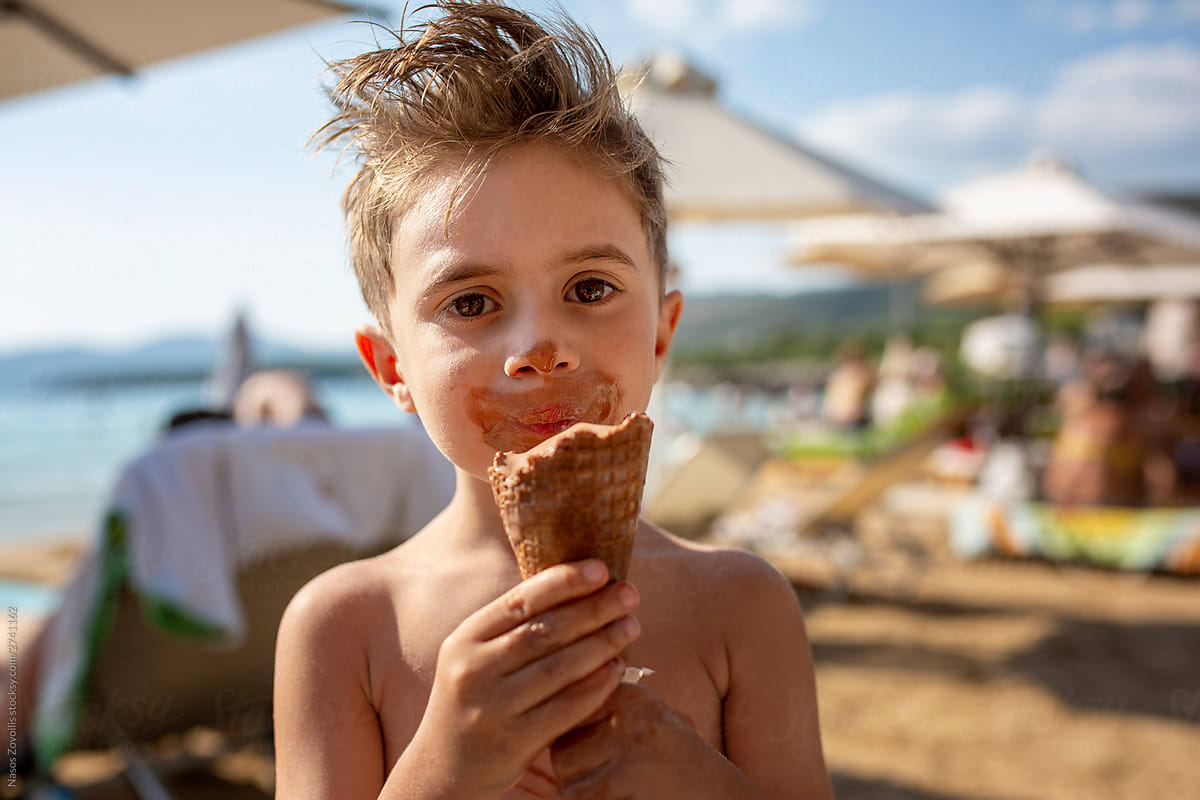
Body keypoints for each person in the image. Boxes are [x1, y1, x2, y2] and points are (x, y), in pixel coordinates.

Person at [272, 4, 832, 799]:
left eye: (590, 288)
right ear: (391, 366)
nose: (542, 344)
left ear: (662, 334)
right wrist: (444, 770)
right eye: (471, 302)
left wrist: (694, 778)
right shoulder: (347, 628)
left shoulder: (741, 605)